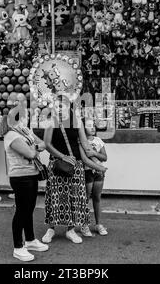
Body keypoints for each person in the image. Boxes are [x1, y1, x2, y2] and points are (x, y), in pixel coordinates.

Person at [42, 98, 107, 244]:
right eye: (57, 106)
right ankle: (51, 228)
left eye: (62, 106)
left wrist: (97, 159)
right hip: (57, 163)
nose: (59, 108)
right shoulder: (52, 120)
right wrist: (63, 156)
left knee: (73, 198)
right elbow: (47, 144)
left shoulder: (77, 122)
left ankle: (70, 230)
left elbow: (84, 144)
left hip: (75, 165)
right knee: (55, 197)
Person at [2, 113, 49, 262]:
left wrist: (35, 147)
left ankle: (30, 240)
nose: (26, 119)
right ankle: (18, 247)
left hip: (32, 174)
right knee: (21, 212)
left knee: (29, 209)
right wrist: (35, 147)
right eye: (23, 116)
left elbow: (43, 143)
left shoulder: (25, 131)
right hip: (20, 177)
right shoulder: (10, 135)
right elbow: (30, 153)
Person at [81, 124, 109, 237]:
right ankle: (84, 224)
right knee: (86, 199)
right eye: (89, 126)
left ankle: (98, 224)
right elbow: (84, 157)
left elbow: (105, 157)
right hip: (87, 172)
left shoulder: (98, 140)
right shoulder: (81, 141)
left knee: (97, 198)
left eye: (93, 126)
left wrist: (94, 153)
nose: (92, 128)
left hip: (98, 173)